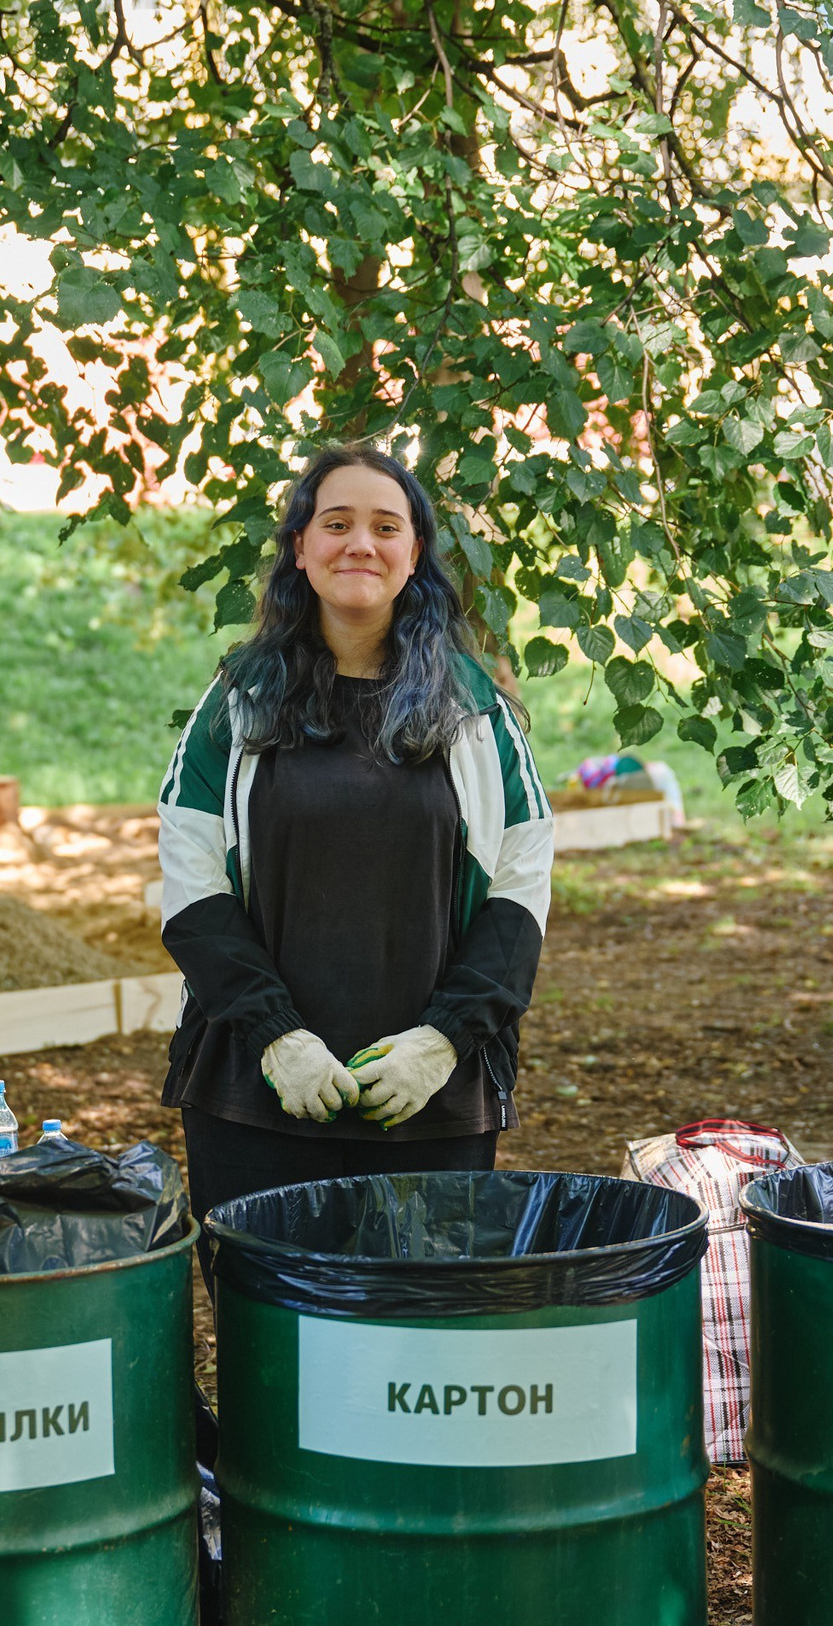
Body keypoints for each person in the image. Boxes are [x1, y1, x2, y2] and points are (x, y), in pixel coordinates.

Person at [156, 444, 554, 1217]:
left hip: (429, 1102)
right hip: (255, 1098)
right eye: (335, 523)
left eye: (385, 526)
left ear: (414, 555)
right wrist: (278, 1037)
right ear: (301, 549)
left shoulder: (478, 713)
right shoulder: (238, 699)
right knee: (269, 1334)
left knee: (419, 1334)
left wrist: (440, 1042)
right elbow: (192, 881)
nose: (360, 543)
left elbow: (520, 894)